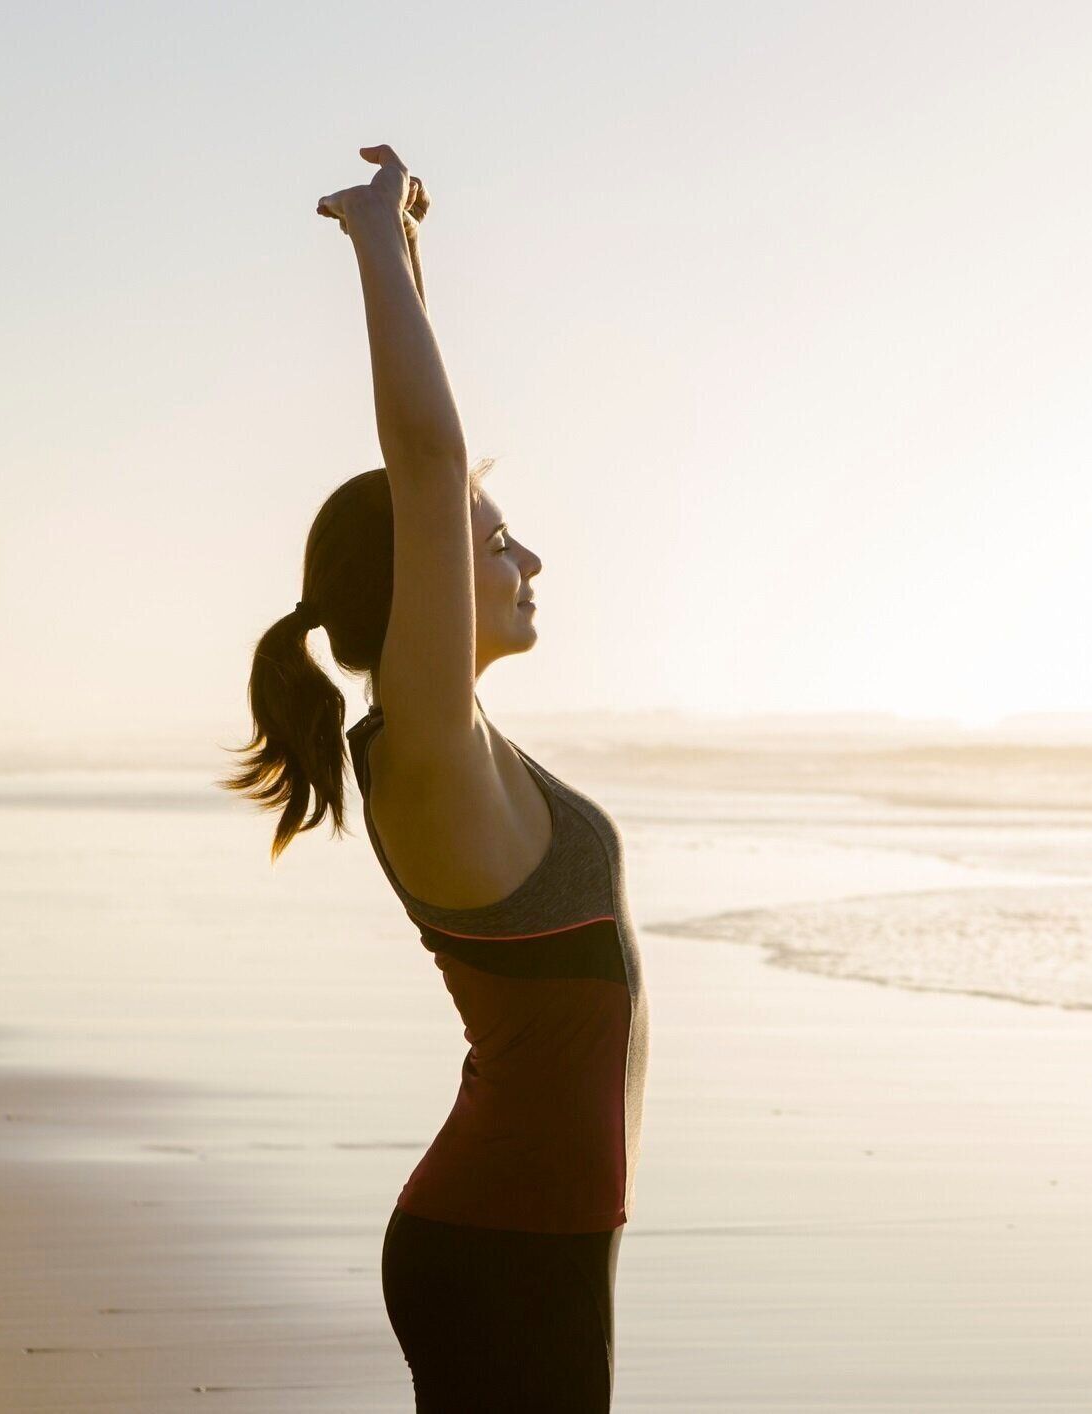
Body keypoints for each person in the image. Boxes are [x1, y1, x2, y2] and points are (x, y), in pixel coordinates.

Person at [217, 145, 648, 1412]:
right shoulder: (426, 750)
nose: (530, 561)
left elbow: (432, 474)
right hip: (505, 1244)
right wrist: (372, 245)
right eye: (496, 543)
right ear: (421, 587)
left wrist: (407, 252)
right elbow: (424, 457)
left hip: (540, 1236)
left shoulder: (458, 742)